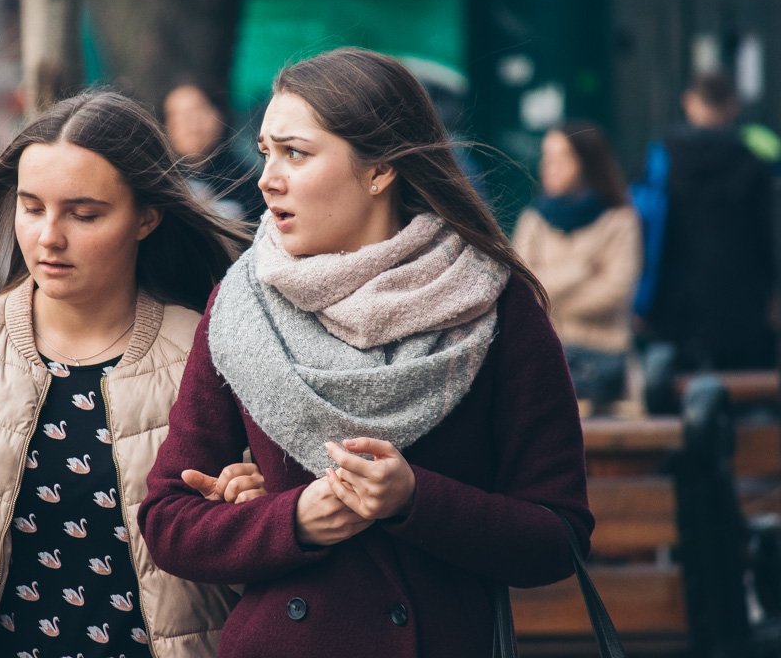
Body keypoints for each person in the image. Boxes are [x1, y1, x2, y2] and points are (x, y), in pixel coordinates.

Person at [139, 48, 592, 657]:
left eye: (295, 153)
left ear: (379, 170)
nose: (266, 177)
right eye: (267, 151)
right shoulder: (241, 305)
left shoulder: (492, 304)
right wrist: (290, 520)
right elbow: (167, 521)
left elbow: (558, 537)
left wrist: (415, 500)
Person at [0, 91, 259, 658]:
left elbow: (275, 558)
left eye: (84, 215)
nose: (49, 236)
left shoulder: (212, 353)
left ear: (146, 218)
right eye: (32, 208)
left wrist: (249, 515)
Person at [644, 71, 775, 370]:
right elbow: (767, 235)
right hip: (741, 302)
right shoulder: (752, 162)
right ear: (733, 106)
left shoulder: (661, 159)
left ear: (689, 102)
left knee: (674, 400)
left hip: (673, 299)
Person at [513, 122, 641, 413]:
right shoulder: (535, 220)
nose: (551, 167)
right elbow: (523, 289)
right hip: (546, 360)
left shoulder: (620, 220)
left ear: (586, 162)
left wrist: (550, 296)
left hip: (606, 366)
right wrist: (583, 271)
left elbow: (616, 293)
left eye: (562, 158)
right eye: (547, 158)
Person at [162, 81, 266, 222]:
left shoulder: (248, 181)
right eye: (178, 116)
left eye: (197, 111)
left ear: (218, 116)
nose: (190, 123)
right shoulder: (162, 184)